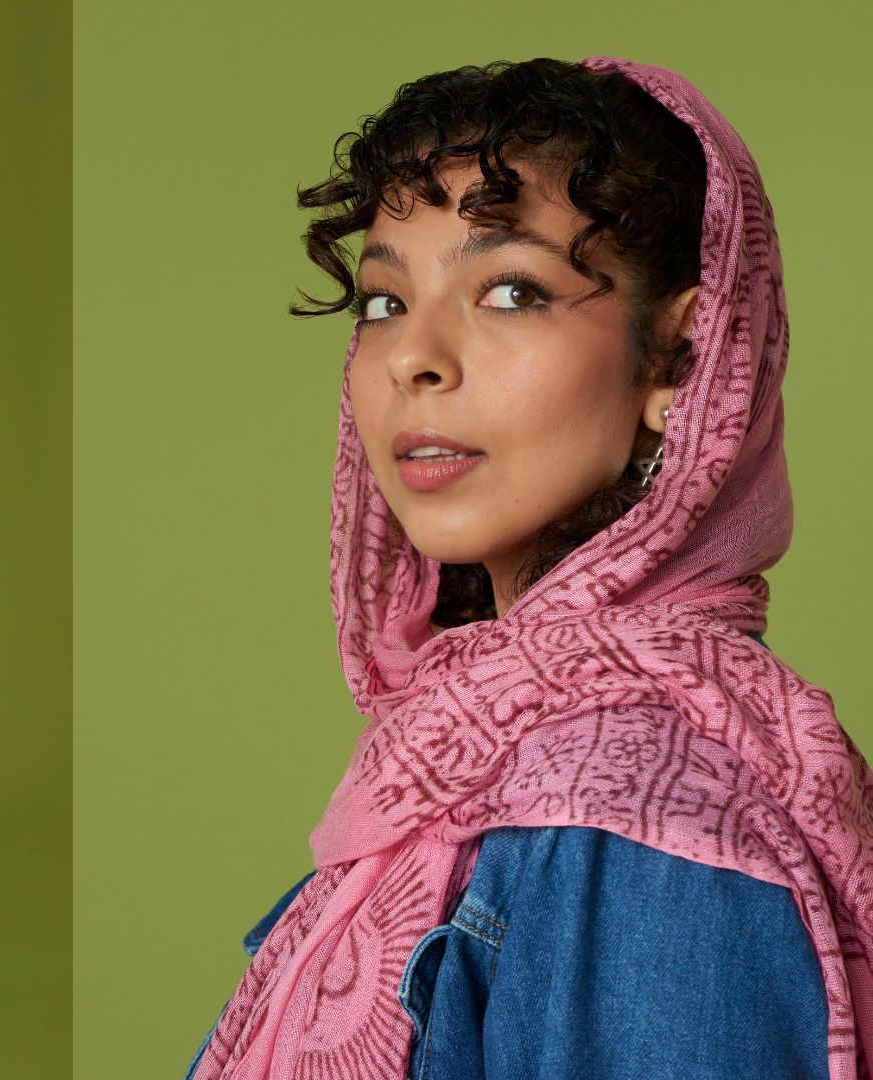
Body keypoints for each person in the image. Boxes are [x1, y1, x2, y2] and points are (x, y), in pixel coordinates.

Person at [186, 57, 873, 1079]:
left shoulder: (629, 833)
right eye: (380, 303)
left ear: (678, 361)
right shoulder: (476, 750)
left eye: (508, 290)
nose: (415, 356)